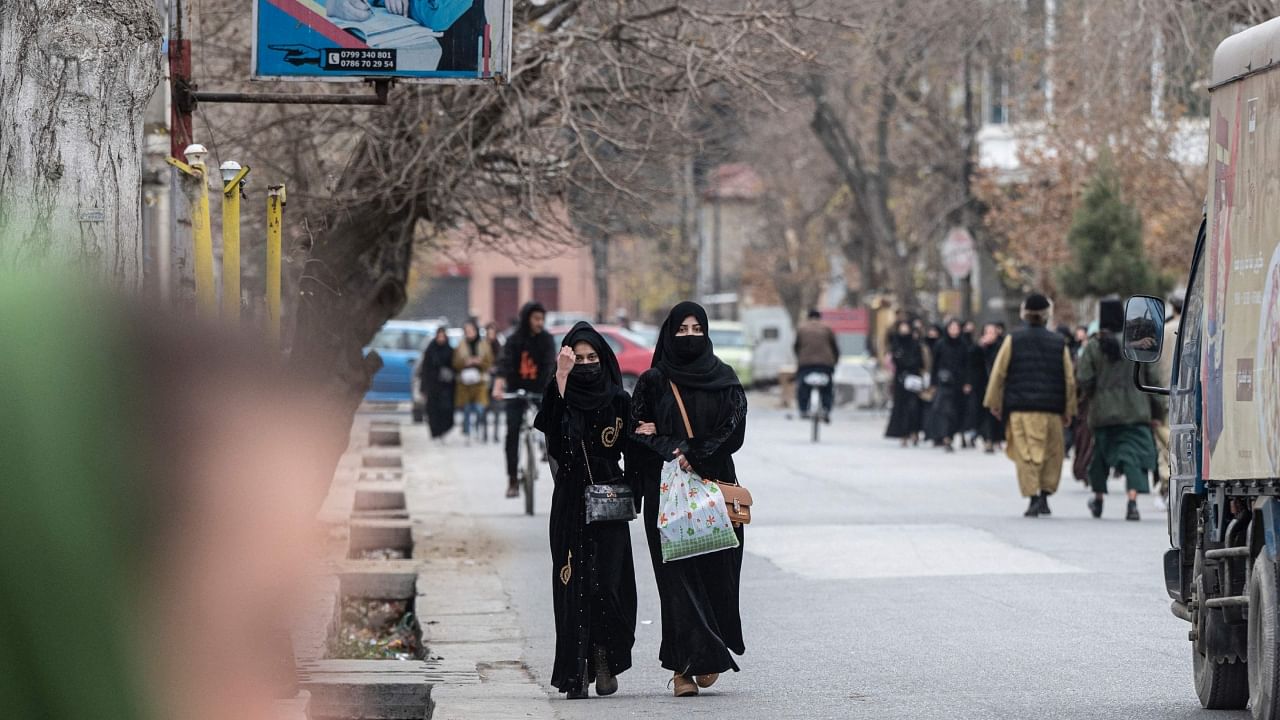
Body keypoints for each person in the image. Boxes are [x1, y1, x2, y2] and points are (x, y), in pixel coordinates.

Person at [630, 301, 748, 698]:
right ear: (669, 333)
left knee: (718, 574)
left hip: (715, 489)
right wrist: (672, 447)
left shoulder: (726, 379)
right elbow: (637, 431)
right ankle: (683, 668)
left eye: (697, 328)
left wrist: (691, 451)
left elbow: (734, 433)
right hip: (667, 494)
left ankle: (709, 653)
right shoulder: (652, 381)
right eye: (682, 329)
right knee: (676, 582)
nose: (689, 336)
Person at [533, 323, 639, 700]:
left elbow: (634, 452)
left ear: (604, 359)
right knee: (572, 582)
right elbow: (558, 444)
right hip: (569, 503)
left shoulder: (618, 400)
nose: (586, 364)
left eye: (592, 358)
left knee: (608, 584)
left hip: (608, 500)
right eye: (577, 358)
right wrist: (561, 378)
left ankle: (604, 658)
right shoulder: (559, 396)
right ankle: (575, 672)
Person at [984, 294, 1077, 517]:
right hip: (1051, 409)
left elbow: (999, 373)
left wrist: (994, 402)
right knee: (1051, 454)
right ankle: (1045, 496)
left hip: (1020, 408)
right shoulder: (1058, 343)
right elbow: (1069, 379)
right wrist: (1069, 409)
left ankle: (1032, 497)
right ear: (1048, 314)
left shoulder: (1012, 339)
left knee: (1026, 454)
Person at [1077, 299, 1166, 521]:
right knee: (1132, 457)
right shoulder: (1137, 344)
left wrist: (1091, 396)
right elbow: (1152, 379)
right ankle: (1132, 502)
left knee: (1100, 456)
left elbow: (1084, 379)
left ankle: (1098, 499)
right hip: (1136, 412)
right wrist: (1158, 413)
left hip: (1103, 414)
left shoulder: (1094, 346)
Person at [493, 302, 556, 498]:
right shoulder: (513, 340)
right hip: (516, 390)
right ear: (527, 319)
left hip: (539, 389)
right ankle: (512, 479)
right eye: (536, 319)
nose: (540, 323)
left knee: (554, 423)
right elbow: (504, 364)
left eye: (542, 319)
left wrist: (550, 389)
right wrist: (499, 385)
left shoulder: (546, 339)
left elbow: (548, 365)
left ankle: (547, 449)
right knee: (512, 432)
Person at [1152, 294, 1184, 510]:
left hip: (1165, 392)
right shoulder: (1196, 327)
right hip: (1191, 392)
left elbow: (1154, 366)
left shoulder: (1164, 331)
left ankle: (1167, 483)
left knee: (1165, 444)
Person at [924, 319, 970, 452]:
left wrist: (967, 382)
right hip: (943, 383)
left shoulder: (963, 345)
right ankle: (945, 438)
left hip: (959, 383)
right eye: (952, 327)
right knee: (944, 411)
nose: (954, 330)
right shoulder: (940, 344)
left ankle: (950, 435)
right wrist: (933, 383)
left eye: (956, 327)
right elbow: (935, 365)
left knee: (956, 412)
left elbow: (967, 365)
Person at [885, 321, 928, 447]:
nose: (904, 331)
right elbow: (894, 361)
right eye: (901, 328)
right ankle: (903, 434)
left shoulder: (916, 345)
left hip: (913, 380)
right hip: (900, 381)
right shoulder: (895, 344)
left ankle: (914, 432)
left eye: (906, 328)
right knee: (901, 408)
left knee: (914, 407)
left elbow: (920, 361)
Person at [794, 308, 839, 421]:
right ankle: (826, 409)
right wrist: (834, 362)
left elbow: (796, 347)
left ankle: (803, 409)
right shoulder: (827, 328)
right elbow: (835, 347)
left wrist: (800, 358)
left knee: (802, 387)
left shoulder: (801, 328)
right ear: (819, 317)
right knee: (827, 388)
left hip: (806, 364)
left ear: (808, 317)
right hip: (825, 364)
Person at [453, 320, 493, 445]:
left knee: (479, 408)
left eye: (471, 331)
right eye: (467, 331)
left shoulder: (484, 345)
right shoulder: (460, 345)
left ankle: (476, 429)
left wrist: (479, 362)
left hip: (480, 381)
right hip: (464, 382)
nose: (469, 333)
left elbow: (489, 362)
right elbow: (455, 363)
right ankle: (467, 434)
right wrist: (466, 362)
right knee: (466, 409)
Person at [421, 327, 456, 440]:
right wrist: (424, 387)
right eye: (439, 336)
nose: (441, 339)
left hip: (446, 386)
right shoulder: (430, 350)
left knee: (446, 409)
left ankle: (443, 430)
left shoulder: (450, 350)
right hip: (432, 385)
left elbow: (454, 367)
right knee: (432, 410)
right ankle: (435, 432)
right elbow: (425, 369)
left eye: (443, 336)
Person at [976, 322, 1006, 453]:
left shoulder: (1002, 346)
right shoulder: (979, 348)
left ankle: (995, 439)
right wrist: (981, 347)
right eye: (987, 332)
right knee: (984, 413)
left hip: (998, 385)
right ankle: (988, 439)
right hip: (982, 384)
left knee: (995, 413)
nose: (989, 335)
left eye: (992, 332)